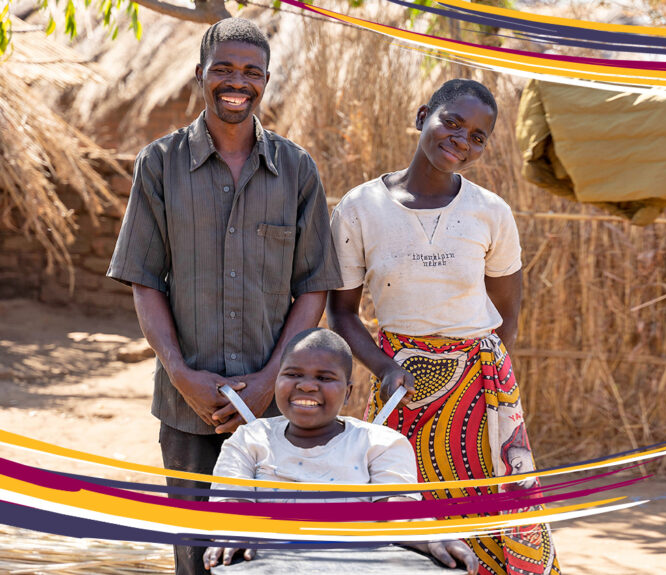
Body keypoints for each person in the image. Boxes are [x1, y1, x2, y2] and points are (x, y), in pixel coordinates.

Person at [106, 18, 343, 575]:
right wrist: (180, 372)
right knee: (195, 556)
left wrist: (269, 383)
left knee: (271, 557)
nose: (238, 82)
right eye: (225, 69)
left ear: (265, 82)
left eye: (251, 72)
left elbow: (313, 287)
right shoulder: (159, 165)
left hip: (279, 410)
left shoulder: (297, 170)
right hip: (188, 409)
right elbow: (145, 279)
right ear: (199, 76)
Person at [328, 79, 560, 575]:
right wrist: (385, 367)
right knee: (405, 516)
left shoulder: (490, 212)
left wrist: (481, 381)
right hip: (402, 385)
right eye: (452, 122)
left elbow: (507, 314)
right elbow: (343, 311)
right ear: (421, 116)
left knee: (494, 515)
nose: (462, 139)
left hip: (481, 389)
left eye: (477, 136)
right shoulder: (359, 207)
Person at [202, 328, 478, 574]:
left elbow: (396, 509)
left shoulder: (379, 444)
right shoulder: (250, 439)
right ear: (277, 382)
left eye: (324, 377)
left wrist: (431, 536)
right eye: (293, 374)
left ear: (347, 393)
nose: (307, 385)